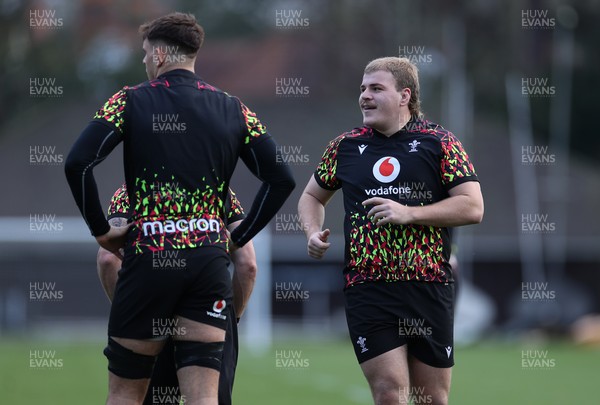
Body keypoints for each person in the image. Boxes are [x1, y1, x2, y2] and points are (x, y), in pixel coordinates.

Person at [64, 12, 295, 405]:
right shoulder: (234, 108)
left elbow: (77, 162)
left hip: (149, 258)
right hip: (207, 264)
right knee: (203, 398)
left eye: (143, 54)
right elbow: (283, 179)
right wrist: (236, 236)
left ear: (157, 54)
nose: (142, 62)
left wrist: (101, 230)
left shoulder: (129, 100)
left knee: (125, 395)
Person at [298, 57, 483, 405]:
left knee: (431, 399)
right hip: (368, 287)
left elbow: (473, 207)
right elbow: (311, 196)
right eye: (363, 89)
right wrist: (312, 230)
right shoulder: (345, 146)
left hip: (428, 285)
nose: (365, 96)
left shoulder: (439, 142)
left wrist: (410, 213)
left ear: (404, 96)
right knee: (388, 393)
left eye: (376, 88)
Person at [97, 185, 256, 405]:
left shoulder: (132, 189)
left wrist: (133, 317)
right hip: (208, 308)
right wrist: (229, 319)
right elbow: (248, 265)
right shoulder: (217, 188)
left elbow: (107, 259)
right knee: (206, 398)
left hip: (151, 307)